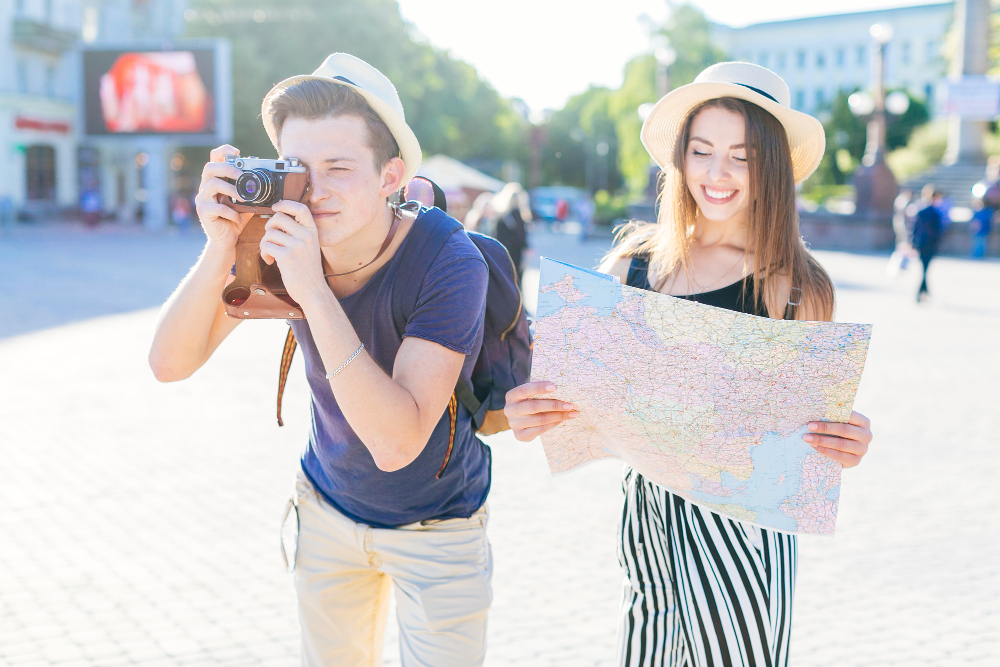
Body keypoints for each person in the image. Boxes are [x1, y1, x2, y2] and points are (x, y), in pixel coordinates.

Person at [504, 62, 874, 666]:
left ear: (772, 168)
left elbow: (809, 430)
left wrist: (847, 438)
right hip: (648, 519)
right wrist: (529, 409)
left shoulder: (798, 288)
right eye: (701, 151)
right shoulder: (634, 264)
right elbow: (565, 388)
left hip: (745, 530)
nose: (717, 173)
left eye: (742, 156)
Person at [149, 53, 493, 666]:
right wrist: (222, 245)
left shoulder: (449, 261)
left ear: (391, 176)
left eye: (340, 167)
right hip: (328, 508)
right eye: (300, 169)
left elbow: (396, 442)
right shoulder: (282, 240)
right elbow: (170, 363)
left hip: (438, 524)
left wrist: (311, 288)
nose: (318, 190)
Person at [490, 182, 531, 278]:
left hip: (501, 252)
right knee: (516, 281)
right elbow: (521, 236)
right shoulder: (518, 214)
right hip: (515, 254)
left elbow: (494, 234)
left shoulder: (500, 215)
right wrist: (527, 247)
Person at [912, 189, 945, 302]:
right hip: (930, 244)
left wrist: (913, 243)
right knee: (925, 269)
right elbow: (938, 231)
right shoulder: (936, 213)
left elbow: (915, 228)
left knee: (924, 268)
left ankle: (924, 291)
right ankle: (923, 291)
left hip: (921, 243)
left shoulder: (921, 211)